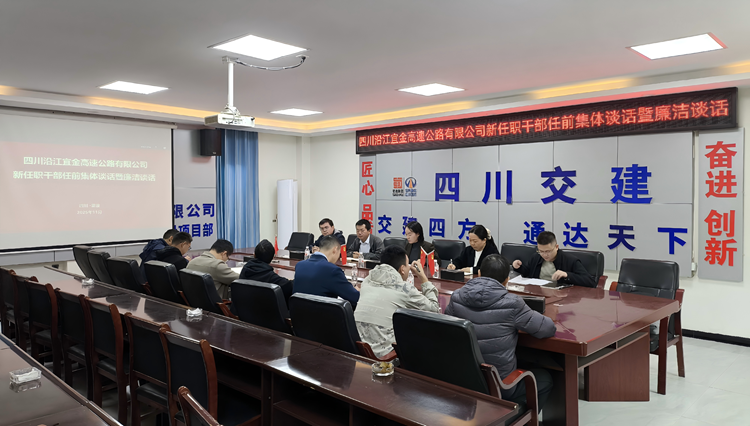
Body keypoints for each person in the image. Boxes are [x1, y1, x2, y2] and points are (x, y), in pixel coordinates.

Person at [446, 254, 556, 412]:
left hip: (463, 379)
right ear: (507, 280)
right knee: (545, 379)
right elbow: (547, 329)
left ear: (479, 274)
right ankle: (513, 417)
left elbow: (447, 326)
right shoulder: (513, 303)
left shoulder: (456, 296)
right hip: (499, 385)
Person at [354, 245, 439, 357]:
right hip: (386, 356)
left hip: (358, 351)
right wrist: (423, 278)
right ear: (402, 269)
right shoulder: (404, 289)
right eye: (407, 265)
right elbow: (434, 310)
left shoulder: (367, 281)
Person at [294, 235, 360, 309]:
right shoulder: (333, 270)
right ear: (335, 249)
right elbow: (355, 298)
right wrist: (356, 290)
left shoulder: (300, 265)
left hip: (298, 313)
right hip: (322, 314)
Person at [512, 231, 595, 287]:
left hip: (560, 297)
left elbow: (590, 281)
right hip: (538, 293)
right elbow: (527, 272)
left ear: (556, 247)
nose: (544, 255)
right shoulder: (536, 257)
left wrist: (567, 275)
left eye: (548, 251)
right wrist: (518, 267)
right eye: (541, 251)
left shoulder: (570, 260)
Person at [239, 239, 293, 303]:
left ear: (254, 255)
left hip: (242, 309)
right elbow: (289, 286)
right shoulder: (271, 277)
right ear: (272, 258)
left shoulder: (244, 270)